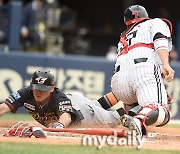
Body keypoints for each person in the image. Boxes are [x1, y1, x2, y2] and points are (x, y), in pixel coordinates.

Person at [110, 5, 175, 138]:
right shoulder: (155, 22)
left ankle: (131, 114)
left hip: (118, 83)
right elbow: (159, 39)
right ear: (145, 16)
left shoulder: (124, 35)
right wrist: (165, 64)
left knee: (144, 102)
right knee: (161, 111)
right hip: (143, 71)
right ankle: (138, 120)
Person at [0, 69, 121, 128]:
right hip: (73, 99)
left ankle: (135, 104)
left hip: (85, 113)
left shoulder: (58, 97)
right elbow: (3, 108)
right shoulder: (26, 93)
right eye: (36, 88)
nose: (39, 92)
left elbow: (66, 117)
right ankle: (125, 93)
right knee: (98, 104)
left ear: (52, 88)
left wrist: (59, 125)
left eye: (44, 89)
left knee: (114, 118)